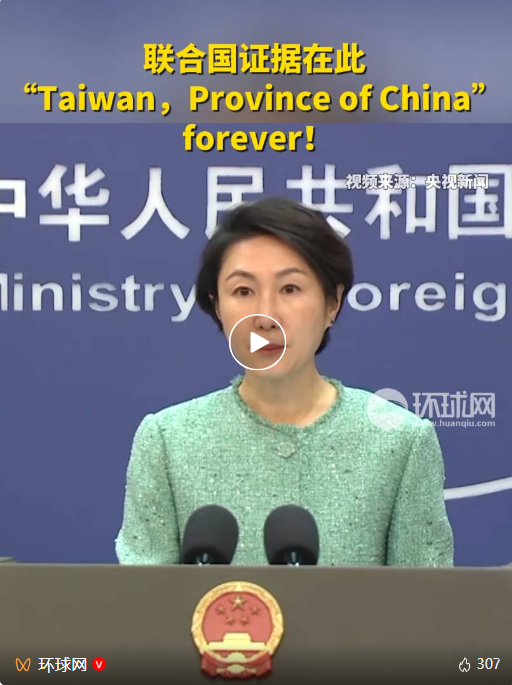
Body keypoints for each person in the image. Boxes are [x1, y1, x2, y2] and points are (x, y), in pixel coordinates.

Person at [115, 196, 454, 566]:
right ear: (217, 307)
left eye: (290, 289)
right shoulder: (167, 441)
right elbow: (142, 597)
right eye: (243, 291)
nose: (266, 318)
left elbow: (425, 597)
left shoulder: (400, 441)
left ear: (332, 303)